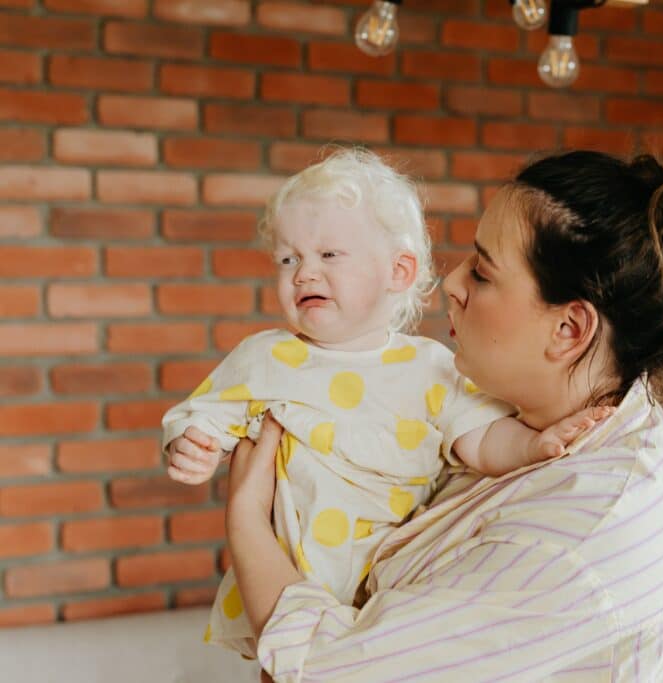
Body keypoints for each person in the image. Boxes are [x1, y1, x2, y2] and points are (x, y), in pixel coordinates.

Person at [227, 125, 663, 681]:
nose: (451, 282)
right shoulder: (527, 418)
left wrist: (247, 519)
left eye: (482, 271)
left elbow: (329, 672)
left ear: (569, 328)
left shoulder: (584, 528)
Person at [161, 148, 608, 658]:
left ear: (398, 271)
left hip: (385, 590)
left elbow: (481, 440)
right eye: (288, 259)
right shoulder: (265, 357)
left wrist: (534, 444)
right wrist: (189, 445)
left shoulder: (432, 369)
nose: (304, 273)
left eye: (329, 255)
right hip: (284, 582)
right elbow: (203, 415)